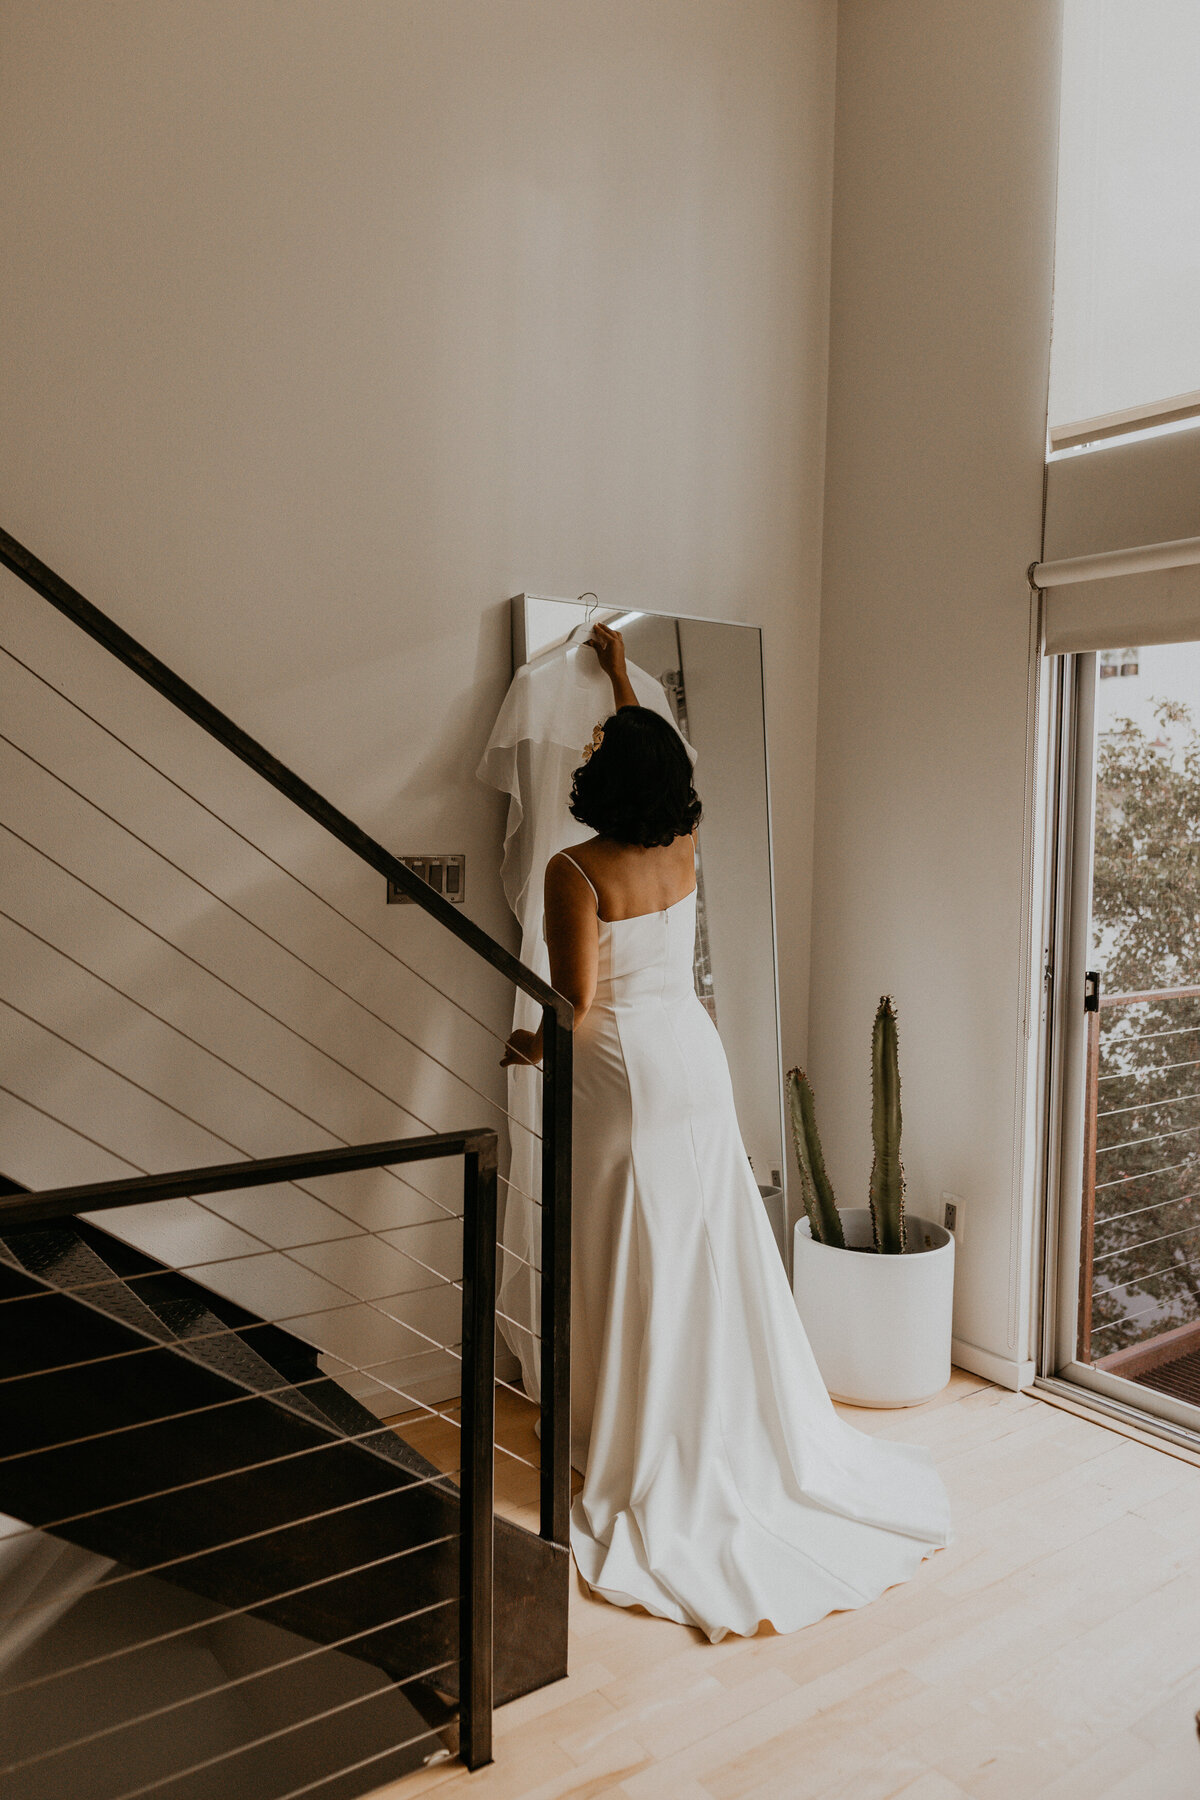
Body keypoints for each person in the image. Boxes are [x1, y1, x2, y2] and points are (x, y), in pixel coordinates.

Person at [503, 623, 951, 1642]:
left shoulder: (575, 870)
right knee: (702, 1245)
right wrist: (623, 679)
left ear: (602, 778)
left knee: (627, 1248)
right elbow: (670, 750)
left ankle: (632, 1429)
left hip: (621, 1072)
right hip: (693, 1060)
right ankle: (709, 1422)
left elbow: (574, 1001)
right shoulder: (686, 844)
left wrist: (528, 1046)